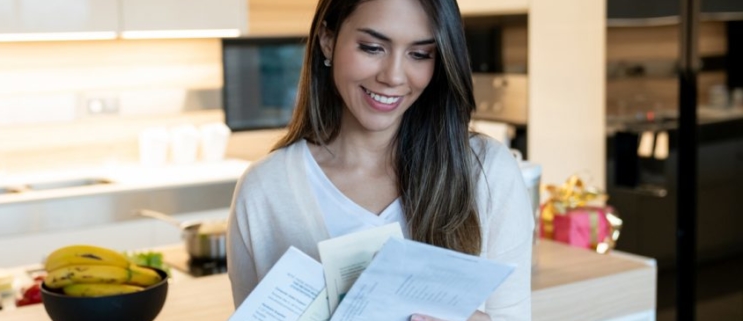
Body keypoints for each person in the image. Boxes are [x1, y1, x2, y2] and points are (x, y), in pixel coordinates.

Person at [227, 0, 533, 320]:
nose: (394, 77)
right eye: (372, 48)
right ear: (327, 41)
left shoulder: (487, 173)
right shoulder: (265, 190)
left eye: (419, 54)